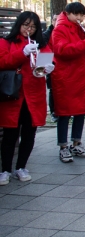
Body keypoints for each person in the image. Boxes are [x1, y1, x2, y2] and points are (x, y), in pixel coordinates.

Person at [0, 11, 54, 184]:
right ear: (19, 25)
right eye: (26, 25)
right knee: (10, 134)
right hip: (13, 95)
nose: (29, 30)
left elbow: (45, 63)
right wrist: (22, 52)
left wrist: (49, 67)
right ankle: (5, 170)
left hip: (34, 95)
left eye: (33, 26)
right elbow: (3, 62)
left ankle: (21, 167)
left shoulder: (41, 43)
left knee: (29, 133)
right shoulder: (6, 42)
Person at [51, 2, 85, 162]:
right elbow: (62, 50)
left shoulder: (81, 28)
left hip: (82, 76)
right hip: (67, 77)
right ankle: (63, 146)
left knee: (80, 112)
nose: (79, 18)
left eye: (82, 15)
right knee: (64, 114)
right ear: (68, 13)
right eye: (76, 15)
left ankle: (77, 142)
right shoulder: (60, 28)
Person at [42, 14, 58, 123]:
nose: (57, 21)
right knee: (52, 89)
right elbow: (44, 49)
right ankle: (53, 112)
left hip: (59, 63)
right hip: (51, 62)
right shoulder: (47, 34)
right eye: (55, 19)